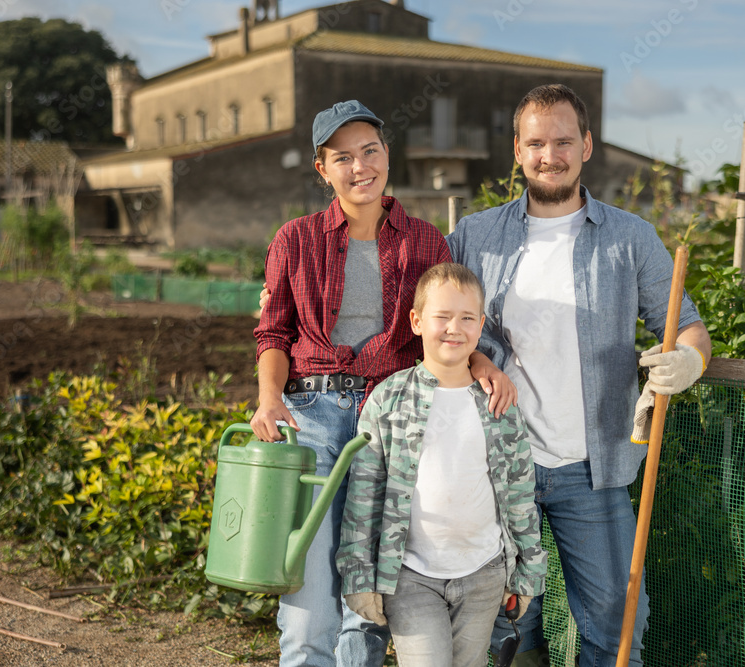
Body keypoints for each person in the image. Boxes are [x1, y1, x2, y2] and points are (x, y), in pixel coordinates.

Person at [447, 84, 712, 667]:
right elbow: (433, 321)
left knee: (616, 630)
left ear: (586, 145)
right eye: (537, 143)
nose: (550, 155)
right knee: (508, 626)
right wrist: (479, 358)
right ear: (517, 149)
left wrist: (688, 362)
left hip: (595, 469)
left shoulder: (630, 237)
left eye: (564, 141)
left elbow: (689, 326)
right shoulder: (475, 235)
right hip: (499, 463)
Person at [252, 100, 514, 666]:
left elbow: (445, 322)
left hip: (393, 422)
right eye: (342, 157)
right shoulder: (294, 240)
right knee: (306, 593)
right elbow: (272, 333)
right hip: (314, 415)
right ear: (323, 169)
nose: (360, 166)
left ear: (387, 155)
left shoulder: (424, 241)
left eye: (369, 150)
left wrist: (482, 363)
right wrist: (269, 398)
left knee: (366, 597)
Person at [336, 262, 546, 667]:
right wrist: (359, 576)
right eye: (442, 317)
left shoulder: (497, 402)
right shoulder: (388, 399)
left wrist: (527, 572)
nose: (455, 328)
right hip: (411, 575)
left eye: (467, 318)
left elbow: (519, 492)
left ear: (481, 323)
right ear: (416, 321)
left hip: (485, 574)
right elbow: (363, 493)